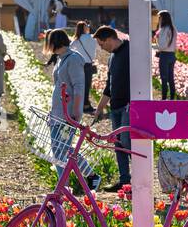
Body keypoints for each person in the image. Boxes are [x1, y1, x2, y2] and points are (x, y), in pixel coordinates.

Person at [91, 25, 132, 192]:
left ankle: (140, 180)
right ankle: (124, 181)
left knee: (128, 143)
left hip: (129, 106)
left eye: (102, 44)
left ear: (109, 39)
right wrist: (99, 109)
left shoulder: (130, 50)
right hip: (115, 106)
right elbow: (109, 86)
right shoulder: (111, 58)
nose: (102, 48)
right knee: (118, 144)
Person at [44, 29, 88, 179]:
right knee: (59, 150)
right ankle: (64, 185)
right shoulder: (61, 58)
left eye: (49, 43)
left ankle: (88, 175)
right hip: (58, 112)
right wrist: (52, 111)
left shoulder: (73, 59)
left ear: (55, 42)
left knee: (62, 150)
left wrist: (76, 110)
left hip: (68, 113)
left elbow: (78, 86)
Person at [70, 21, 97, 112]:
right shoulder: (91, 37)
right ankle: (85, 105)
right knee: (86, 85)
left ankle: (79, 104)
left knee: (79, 85)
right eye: (87, 26)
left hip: (79, 64)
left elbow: (70, 49)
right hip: (88, 64)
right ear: (85, 28)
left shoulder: (77, 39)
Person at [154, 9, 178, 101]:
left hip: (164, 55)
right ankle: (172, 98)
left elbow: (162, 46)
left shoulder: (164, 29)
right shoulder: (173, 29)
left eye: (159, 18)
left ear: (163, 18)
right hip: (172, 55)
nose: (158, 20)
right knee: (171, 79)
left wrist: (155, 44)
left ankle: (163, 99)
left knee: (164, 79)